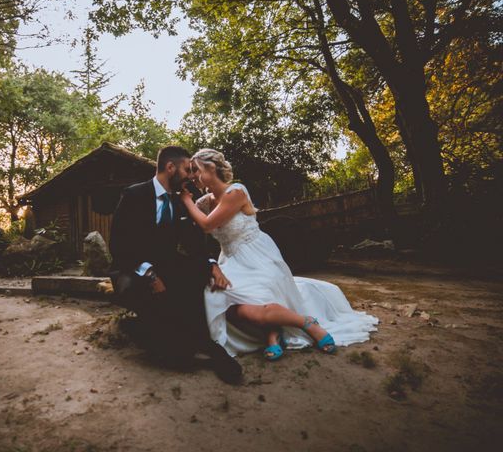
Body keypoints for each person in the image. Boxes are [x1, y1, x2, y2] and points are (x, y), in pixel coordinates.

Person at [181, 148, 378, 360]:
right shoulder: (204, 202)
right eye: (190, 171)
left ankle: (301, 325)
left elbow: (208, 225)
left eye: (196, 170)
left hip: (256, 254)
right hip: (230, 260)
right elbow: (190, 225)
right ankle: (273, 330)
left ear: (211, 168)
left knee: (261, 291)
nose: (192, 176)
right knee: (218, 298)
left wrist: (186, 200)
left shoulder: (236, 192)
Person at [108, 146, 243, 383]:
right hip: (132, 268)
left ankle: (204, 343)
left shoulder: (181, 199)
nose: (192, 175)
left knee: (197, 273)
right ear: (170, 168)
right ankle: (142, 329)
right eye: (188, 169)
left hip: (165, 265)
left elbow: (193, 242)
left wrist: (212, 265)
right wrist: (149, 274)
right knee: (177, 357)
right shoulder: (134, 195)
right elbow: (119, 245)